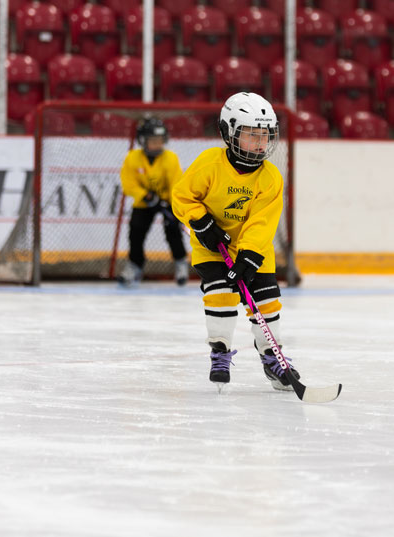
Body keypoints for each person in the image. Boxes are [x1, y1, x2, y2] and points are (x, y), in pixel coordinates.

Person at [171, 92, 299, 392]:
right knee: (221, 294)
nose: (260, 142)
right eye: (251, 135)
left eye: (265, 135)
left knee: (266, 300)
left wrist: (249, 255)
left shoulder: (271, 177)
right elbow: (182, 196)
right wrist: (201, 223)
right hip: (212, 250)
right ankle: (220, 352)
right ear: (229, 132)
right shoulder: (209, 163)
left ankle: (272, 357)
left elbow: (262, 222)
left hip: (254, 251)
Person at [118, 118, 189, 286]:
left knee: (173, 231)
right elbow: (128, 184)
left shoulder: (170, 158)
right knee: (136, 231)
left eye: (160, 141)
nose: (157, 144)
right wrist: (146, 196)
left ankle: (181, 263)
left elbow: (176, 184)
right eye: (153, 141)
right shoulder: (132, 158)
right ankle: (134, 266)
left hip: (167, 201)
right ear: (143, 141)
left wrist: (173, 206)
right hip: (144, 202)